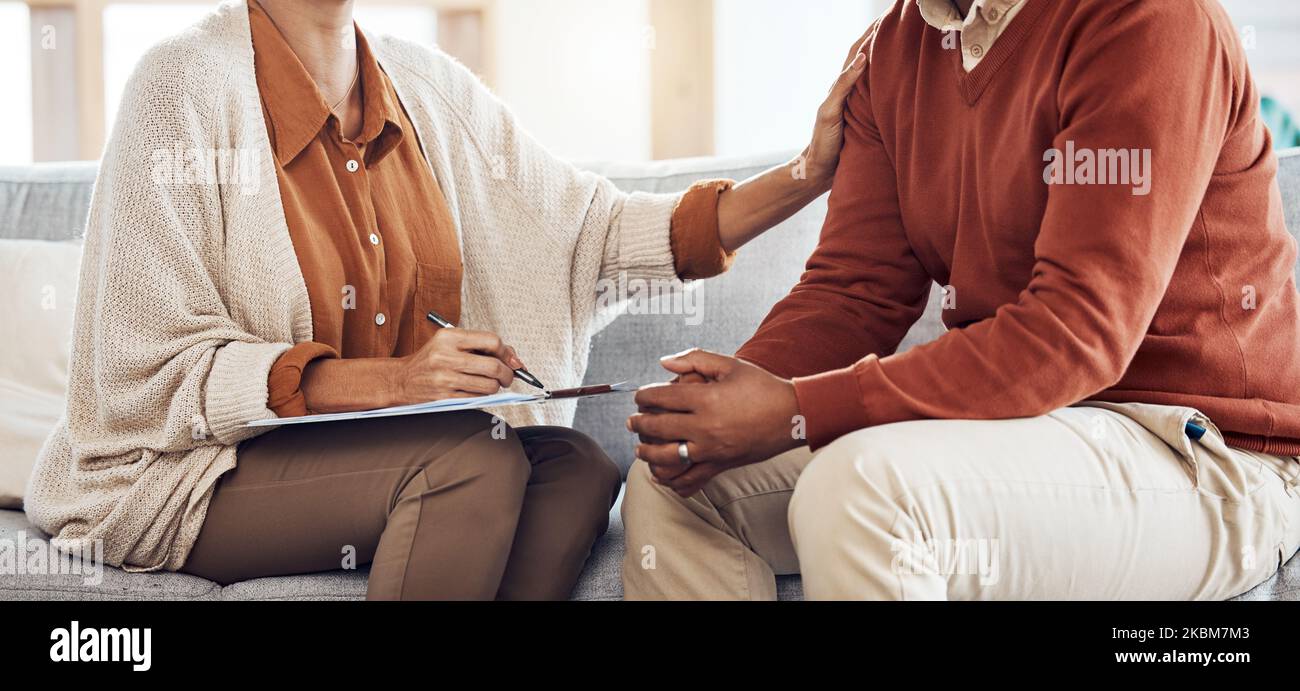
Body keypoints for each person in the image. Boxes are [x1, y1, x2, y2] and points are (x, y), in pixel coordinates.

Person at [25, 0, 865, 600]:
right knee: (469, 459)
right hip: (181, 471)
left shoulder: (428, 90)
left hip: (382, 458)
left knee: (576, 466)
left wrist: (807, 174)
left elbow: (597, 235)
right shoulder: (178, 87)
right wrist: (399, 382)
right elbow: (146, 370)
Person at [623, 0, 1300, 601]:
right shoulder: (896, 47)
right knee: (672, 482)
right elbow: (853, 292)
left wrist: (796, 411)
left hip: (1205, 452)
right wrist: (717, 406)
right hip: (1012, 424)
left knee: (860, 493)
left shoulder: (1146, 19)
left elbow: (1078, 331)